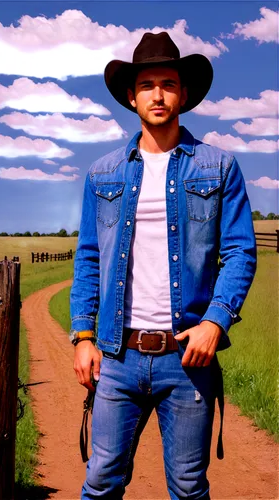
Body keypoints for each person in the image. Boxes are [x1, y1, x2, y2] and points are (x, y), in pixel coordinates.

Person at [69, 31, 257, 499]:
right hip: (117, 357)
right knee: (100, 481)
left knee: (189, 487)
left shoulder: (219, 167)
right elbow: (89, 257)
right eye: (147, 84)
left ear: (184, 94)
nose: (158, 94)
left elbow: (239, 251)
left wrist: (216, 321)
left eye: (168, 83)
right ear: (131, 97)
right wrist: (84, 336)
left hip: (187, 359)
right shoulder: (104, 173)